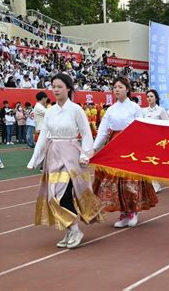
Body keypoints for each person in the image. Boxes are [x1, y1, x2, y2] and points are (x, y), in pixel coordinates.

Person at [27, 73, 103, 249]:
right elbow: (44, 136)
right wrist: (34, 160)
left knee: (64, 193)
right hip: (53, 155)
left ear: (68, 88)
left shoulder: (76, 110)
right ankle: (70, 229)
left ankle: (75, 229)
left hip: (71, 155)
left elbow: (86, 134)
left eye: (59, 86)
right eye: (53, 86)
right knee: (53, 196)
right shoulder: (50, 112)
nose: (56, 90)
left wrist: (85, 155)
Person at [93, 76, 158, 228]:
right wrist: (94, 148)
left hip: (131, 146)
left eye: (120, 87)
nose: (117, 89)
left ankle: (133, 211)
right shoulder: (111, 109)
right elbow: (103, 131)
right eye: (115, 87)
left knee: (131, 180)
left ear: (127, 89)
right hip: (115, 145)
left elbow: (143, 128)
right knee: (115, 181)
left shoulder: (135, 108)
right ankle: (123, 212)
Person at [142, 89, 169, 193]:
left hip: (158, 140)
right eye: (148, 96)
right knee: (148, 162)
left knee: (155, 162)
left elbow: (167, 125)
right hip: (146, 140)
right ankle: (154, 183)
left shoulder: (161, 110)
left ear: (156, 98)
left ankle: (156, 182)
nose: (149, 98)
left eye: (151, 96)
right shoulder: (143, 111)